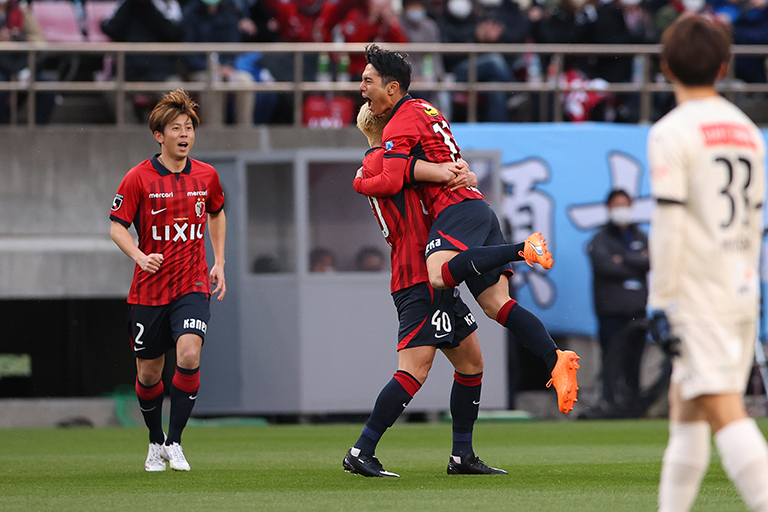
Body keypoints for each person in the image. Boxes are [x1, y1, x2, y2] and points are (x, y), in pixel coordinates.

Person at [354, 44, 580, 416]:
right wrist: (457, 171)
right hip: (477, 207)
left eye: (367, 80)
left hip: (457, 210)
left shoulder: (397, 125)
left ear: (392, 88)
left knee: (440, 274)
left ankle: (521, 248)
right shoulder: (428, 110)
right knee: (497, 306)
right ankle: (555, 357)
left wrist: (360, 183)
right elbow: (450, 161)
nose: (361, 88)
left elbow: (391, 179)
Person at [345, 104, 506, 477]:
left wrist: (462, 171)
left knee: (471, 363)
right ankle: (361, 450)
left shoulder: (384, 160)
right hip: (417, 272)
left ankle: (461, 456)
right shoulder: (381, 162)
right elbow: (394, 179)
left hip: (434, 269)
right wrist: (452, 170)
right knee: (415, 369)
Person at [647, 16, 768, 512]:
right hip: (740, 288)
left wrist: (660, 301)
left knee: (724, 409)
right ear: (724, 66)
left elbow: (670, 223)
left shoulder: (671, 132)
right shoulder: (747, 131)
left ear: (664, 67)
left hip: (699, 295)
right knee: (687, 408)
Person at [109, 89, 226, 472]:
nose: (184, 134)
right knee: (149, 373)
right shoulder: (138, 177)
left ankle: (175, 442)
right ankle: (154, 440)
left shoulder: (206, 175)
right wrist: (140, 256)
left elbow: (216, 213)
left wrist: (219, 261)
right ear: (159, 135)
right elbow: (117, 226)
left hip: (191, 285)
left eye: (189, 127)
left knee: (190, 353)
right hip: (148, 291)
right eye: (175, 128)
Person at [587, 189, 649, 411]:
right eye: (617, 205)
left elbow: (650, 262)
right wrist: (634, 262)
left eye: (625, 205)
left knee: (635, 363)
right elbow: (605, 267)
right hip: (611, 312)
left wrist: (622, 258)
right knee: (612, 360)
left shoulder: (641, 236)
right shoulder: (600, 238)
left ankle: (634, 406)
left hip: (637, 310)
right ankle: (610, 404)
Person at [182, 0, 255, 125]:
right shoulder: (190, 12)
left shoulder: (230, 10)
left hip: (226, 67)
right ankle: (214, 131)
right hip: (201, 69)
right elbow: (188, 54)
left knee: (246, 82)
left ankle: (243, 131)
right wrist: (211, 68)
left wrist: (227, 65)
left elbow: (233, 45)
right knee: (213, 83)